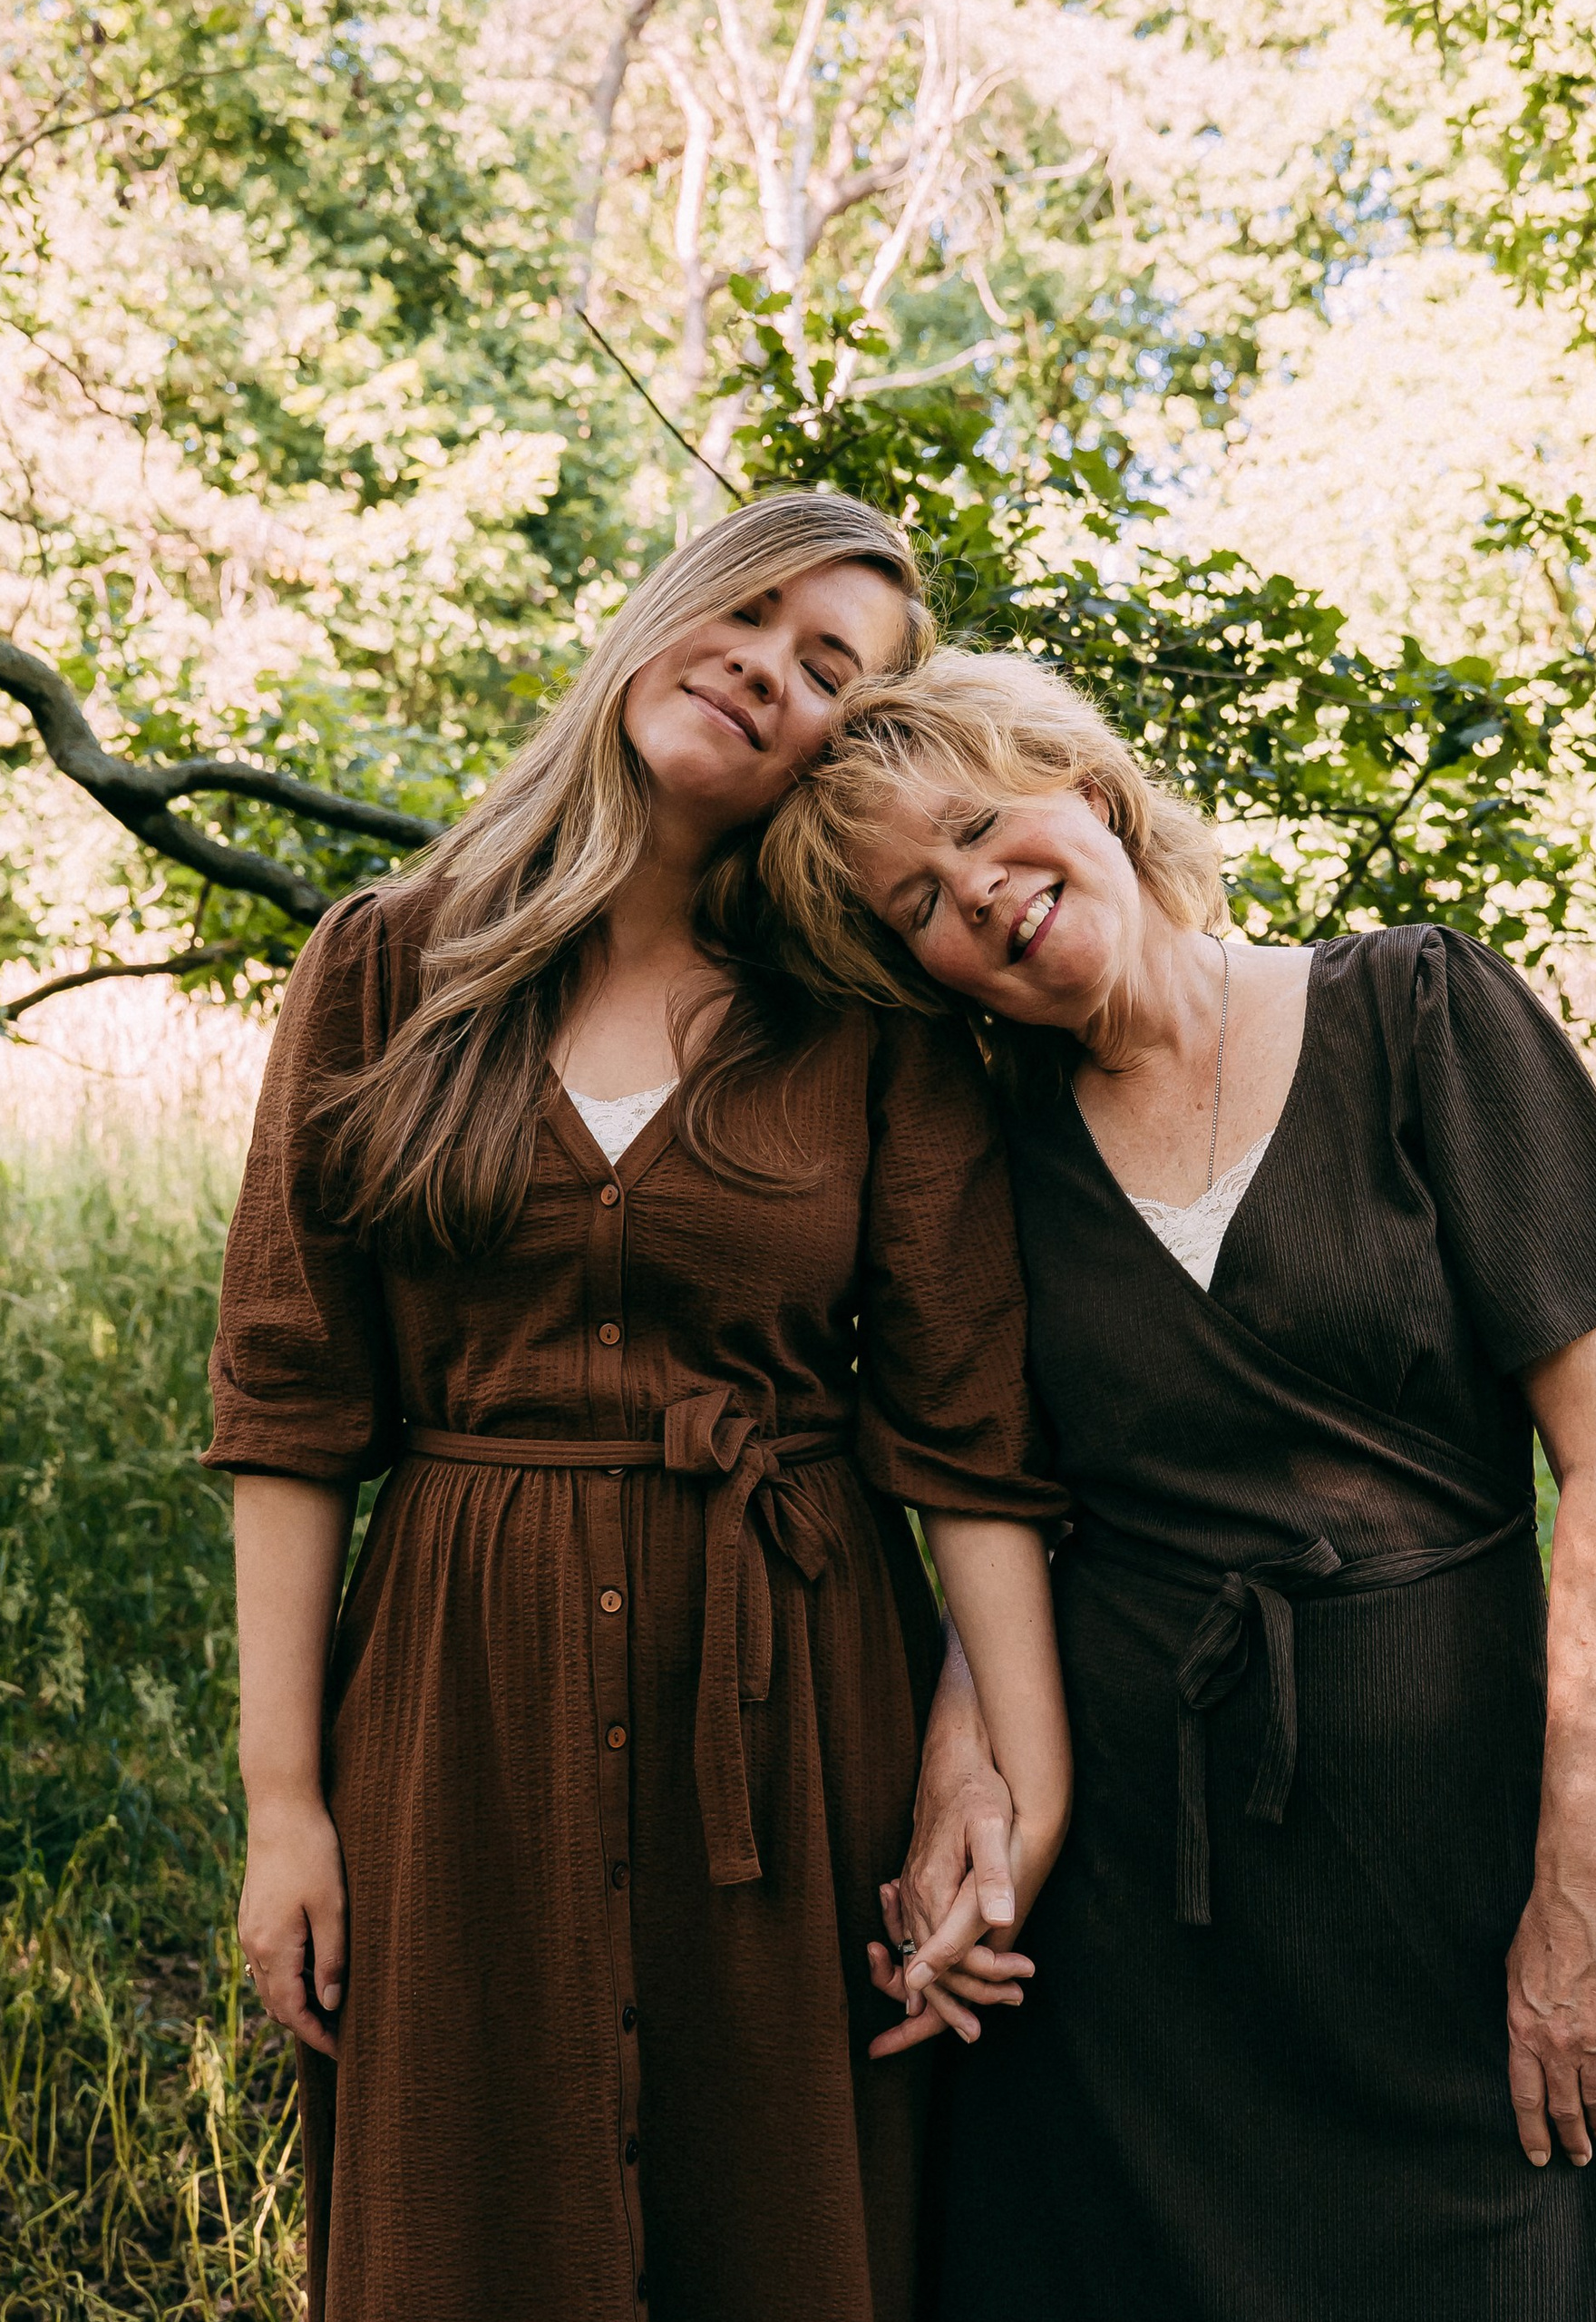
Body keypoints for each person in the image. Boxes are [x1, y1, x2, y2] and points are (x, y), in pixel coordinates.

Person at [205, 503, 1072, 2322]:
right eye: (750, 612)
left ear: (853, 749)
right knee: (463, 2213)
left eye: (832, 666)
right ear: (663, 615)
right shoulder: (388, 962)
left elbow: (970, 1438)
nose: (770, 665)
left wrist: (1009, 1778)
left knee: (782, 2221)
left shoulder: (869, 1017)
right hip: (455, 1712)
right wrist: (283, 1800)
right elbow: (289, 1407)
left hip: (792, 1702)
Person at [759, 647, 1596, 2321]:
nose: (978, 894)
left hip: (1444, 1872)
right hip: (1135, 1906)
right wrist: (966, 1769)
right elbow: (1006, 1512)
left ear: (1090, 790)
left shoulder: (1417, 1012)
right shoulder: (991, 1152)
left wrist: (1586, 1895)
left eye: (982, 825)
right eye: (916, 905)